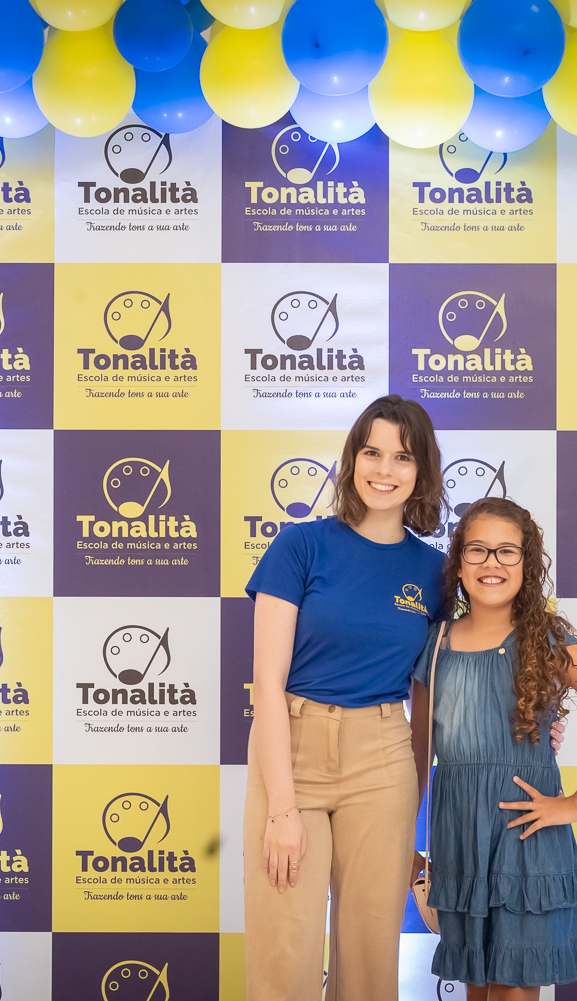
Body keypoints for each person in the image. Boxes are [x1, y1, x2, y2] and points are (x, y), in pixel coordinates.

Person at [242, 394, 449, 1001]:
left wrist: (537, 722)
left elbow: (433, 696)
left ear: (421, 471)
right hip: (293, 749)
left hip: (383, 758)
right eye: (372, 452)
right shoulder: (300, 546)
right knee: (285, 951)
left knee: (369, 959)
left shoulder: (435, 572)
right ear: (352, 459)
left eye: (402, 457)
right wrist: (282, 809)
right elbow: (268, 684)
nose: (384, 470)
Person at [411, 496, 577, 1001]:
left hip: (526, 841)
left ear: (527, 563)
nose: (492, 563)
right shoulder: (434, 644)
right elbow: (417, 758)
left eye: (507, 551)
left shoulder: (546, 637)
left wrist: (575, 804)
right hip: (460, 841)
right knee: (478, 986)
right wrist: (403, 846)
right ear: (458, 561)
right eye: (478, 550)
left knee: (515, 988)